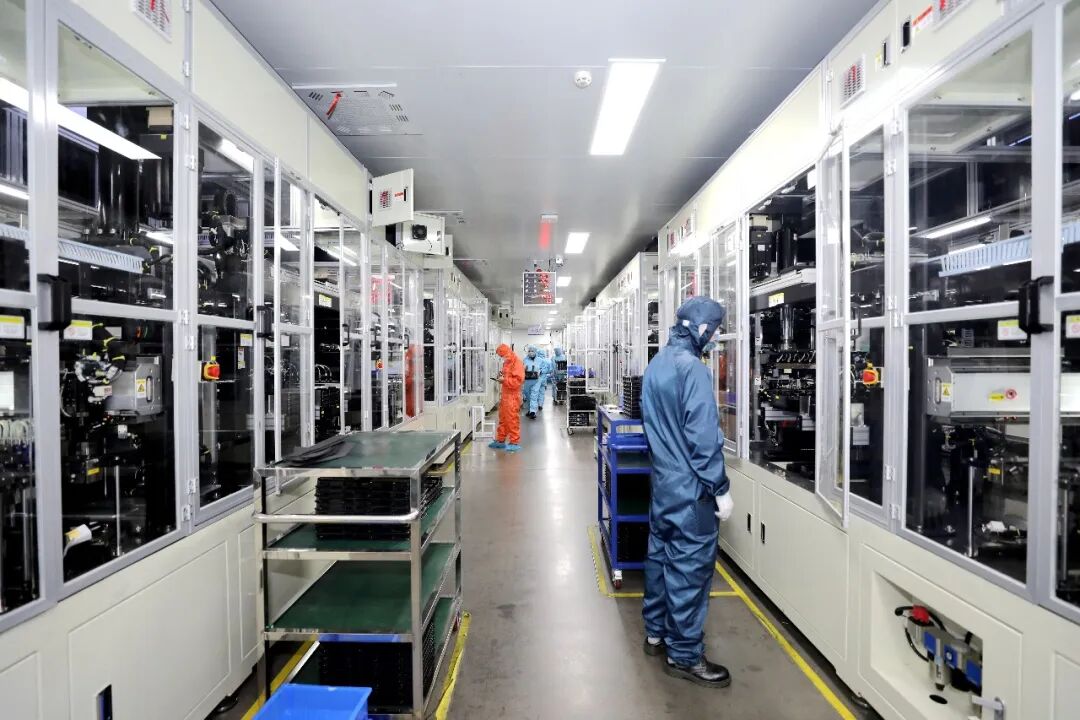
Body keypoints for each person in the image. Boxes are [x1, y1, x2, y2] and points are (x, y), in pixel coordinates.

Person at [640, 296, 734, 688]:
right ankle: (683, 654)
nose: (715, 338)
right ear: (702, 329)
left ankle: (655, 632)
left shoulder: (657, 364)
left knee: (660, 559)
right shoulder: (692, 369)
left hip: (663, 486)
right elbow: (702, 438)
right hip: (692, 492)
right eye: (714, 331)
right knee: (689, 572)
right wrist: (720, 487)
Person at [490, 343, 524, 452]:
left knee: (512, 419)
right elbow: (507, 375)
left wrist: (504, 380)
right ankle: (500, 440)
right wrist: (501, 376)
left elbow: (518, 381)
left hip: (512, 396)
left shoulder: (517, 362)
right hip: (505, 394)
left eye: (502, 355)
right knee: (503, 418)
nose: (502, 358)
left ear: (506, 352)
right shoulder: (507, 362)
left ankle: (514, 442)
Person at [529, 348, 550, 417]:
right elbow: (549, 370)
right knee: (542, 392)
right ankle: (540, 405)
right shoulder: (547, 360)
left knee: (534, 394)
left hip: (537, 379)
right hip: (544, 379)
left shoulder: (537, 360)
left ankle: (533, 410)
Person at [522, 346, 541, 414]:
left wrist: (540, 371)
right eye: (529, 351)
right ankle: (529, 410)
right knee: (528, 395)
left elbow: (545, 369)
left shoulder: (540, 360)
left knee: (534, 395)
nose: (530, 352)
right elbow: (521, 369)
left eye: (532, 351)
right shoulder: (525, 360)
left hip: (536, 380)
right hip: (527, 380)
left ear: (535, 352)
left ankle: (533, 411)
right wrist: (524, 369)